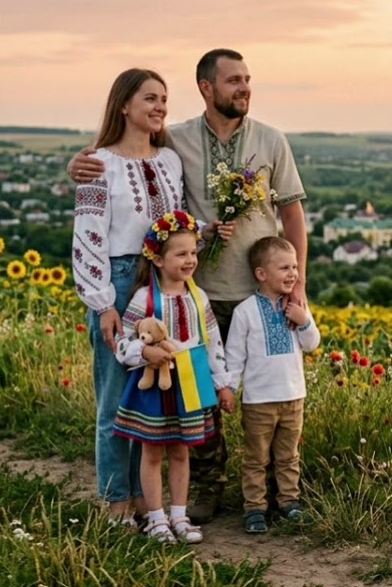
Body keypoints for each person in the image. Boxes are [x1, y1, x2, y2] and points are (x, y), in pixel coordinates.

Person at [68, 48, 309, 523]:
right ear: (207, 87)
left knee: (251, 393)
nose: (243, 87)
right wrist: (76, 167)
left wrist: (296, 284)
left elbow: (284, 215)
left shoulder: (249, 143)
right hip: (160, 286)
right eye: (233, 80)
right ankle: (165, 496)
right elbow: (97, 211)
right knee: (156, 396)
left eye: (247, 79)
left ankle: (271, 492)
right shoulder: (166, 146)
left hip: (225, 290)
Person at [72, 67, 183, 529]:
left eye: (163, 99)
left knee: (150, 399)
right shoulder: (100, 162)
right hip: (117, 280)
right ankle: (116, 498)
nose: (159, 107)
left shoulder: (170, 161)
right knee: (116, 396)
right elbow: (88, 236)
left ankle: (145, 497)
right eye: (149, 99)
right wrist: (104, 304)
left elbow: (177, 224)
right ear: (123, 105)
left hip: (158, 283)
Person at [112, 211, 236, 543]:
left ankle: (179, 516)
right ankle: (156, 519)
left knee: (182, 451)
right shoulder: (144, 300)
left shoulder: (198, 298)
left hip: (190, 386)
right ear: (158, 258)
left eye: (193, 252)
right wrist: (144, 352)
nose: (190, 259)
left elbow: (213, 343)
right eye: (181, 254)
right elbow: (122, 342)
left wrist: (222, 383)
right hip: (154, 389)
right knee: (153, 453)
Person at [223, 236, 321, 534]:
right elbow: (235, 356)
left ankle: (289, 502)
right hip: (258, 401)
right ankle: (255, 508)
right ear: (261, 274)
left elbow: (312, 343)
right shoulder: (246, 311)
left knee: (288, 455)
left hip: (293, 396)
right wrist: (228, 387)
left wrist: (304, 320)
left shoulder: (297, 306)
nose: (293, 273)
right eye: (284, 268)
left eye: (294, 267)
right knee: (256, 457)